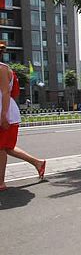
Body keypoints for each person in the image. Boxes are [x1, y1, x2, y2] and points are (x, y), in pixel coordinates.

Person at [0, 45, 46, 191]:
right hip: (4, 111)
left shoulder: (1, 68)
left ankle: (1, 182)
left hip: (5, 113)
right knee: (7, 147)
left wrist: (4, 116)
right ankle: (38, 163)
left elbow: (6, 93)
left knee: (2, 148)